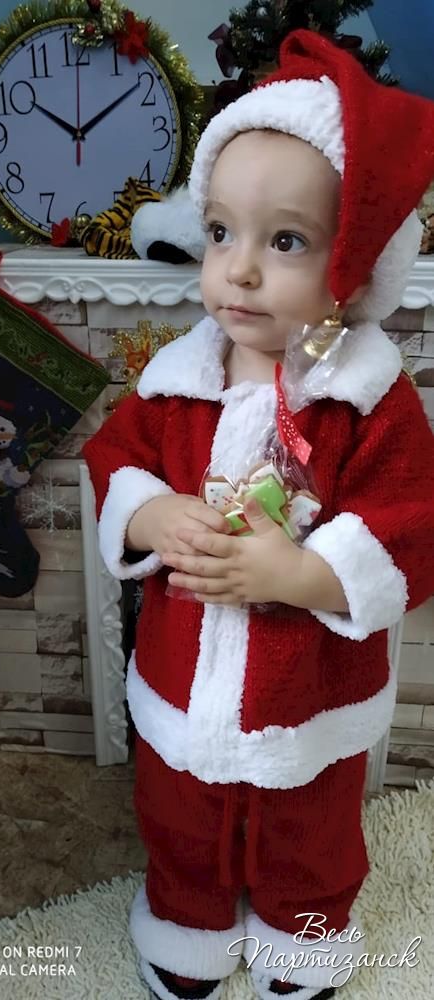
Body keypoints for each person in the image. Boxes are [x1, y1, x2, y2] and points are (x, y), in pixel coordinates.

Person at [82, 29, 434, 1000]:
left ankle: (305, 928)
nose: (238, 270)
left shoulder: (365, 399)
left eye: (284, 241)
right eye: (220, 232)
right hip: (182, 668)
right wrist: (150, 515)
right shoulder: (175, 381)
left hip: (306, 684)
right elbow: (114, 462)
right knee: (180, 811)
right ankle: (186, 918)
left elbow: (411, 522)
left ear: (352, 267)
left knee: (308, 824)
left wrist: (304, 574)